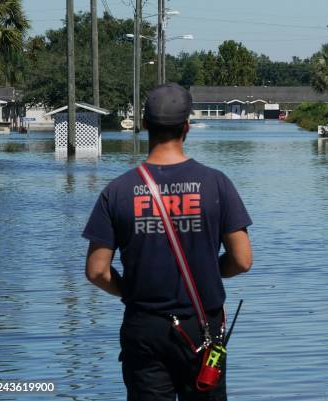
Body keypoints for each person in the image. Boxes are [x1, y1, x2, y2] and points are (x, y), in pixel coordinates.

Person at [83, 83, 253, 401]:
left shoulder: (117, 191)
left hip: (143, 325)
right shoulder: (216, 184)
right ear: (187, 126)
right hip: (203, 327)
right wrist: (211, 271)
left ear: (145, 124)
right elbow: (242, 260)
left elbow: (96, 271)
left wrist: (129, 291)